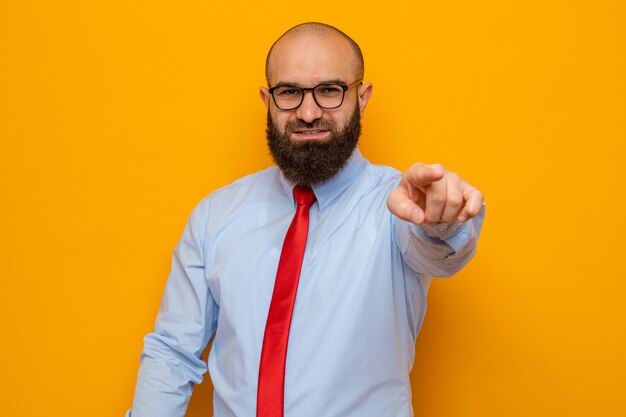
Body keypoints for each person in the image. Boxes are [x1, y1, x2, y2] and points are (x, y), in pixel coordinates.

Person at [127, 22, 485, 417]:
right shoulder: (216, 215)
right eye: (290, 92)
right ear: (267, 100)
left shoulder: (397, 207)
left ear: (362, 98)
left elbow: (437, 251)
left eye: (330, 91)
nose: (309, 112)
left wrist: (441, 219)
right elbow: (172, 352)